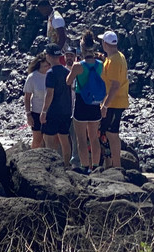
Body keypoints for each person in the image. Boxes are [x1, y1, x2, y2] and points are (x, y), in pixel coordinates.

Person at [66, 32, 105, 172]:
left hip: (81, 102)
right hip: (95, 103)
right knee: (94, 137)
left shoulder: (78, 66)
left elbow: (68, 81)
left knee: (81, 138)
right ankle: (95, 166)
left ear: (82, 47)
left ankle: (84, 167)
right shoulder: (101, 64)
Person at [100, 30, 129, 169]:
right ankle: (111, 164)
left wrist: (105, 105)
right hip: (116, 101)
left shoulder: (114, 60)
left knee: (112, 134)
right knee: (108, 133)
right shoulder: (117, 56)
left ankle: (116, 166)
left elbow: (115, 85)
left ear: (105, 43)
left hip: (114, 102)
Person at [40, 44, 72, 165]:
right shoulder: (67, 71)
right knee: (64, 139)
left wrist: (43, 111)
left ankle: (52, 165)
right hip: (66, 110)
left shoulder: (50, 73)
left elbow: (49, 93)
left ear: (48, 56)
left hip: (53, 111)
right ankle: (67, 165)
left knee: (49, 140)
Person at [23, 52, 50, 149]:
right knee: (37, 140)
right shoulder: (32, 77)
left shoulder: (51, 75)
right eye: (44, 66)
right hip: (36, 112)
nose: (47, 67)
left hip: (50, 112)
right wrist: (28, 114)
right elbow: (27, 97)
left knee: (49, 140)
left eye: (48, 65)